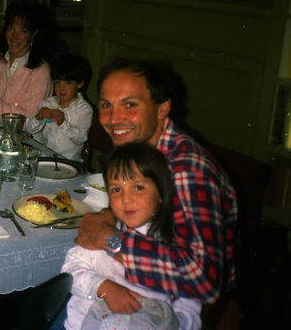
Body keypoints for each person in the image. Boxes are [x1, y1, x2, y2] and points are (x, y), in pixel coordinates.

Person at [76, 58, 238, 304]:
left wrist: (110, 240)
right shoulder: (140, 151)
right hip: (141, 284)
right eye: (106, 105)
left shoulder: (185, 169)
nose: (113, 118)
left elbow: (204, 281)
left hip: (182, 307)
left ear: (162, 109)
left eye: (130, 105)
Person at [62, 142, 201, 329]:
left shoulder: (175, 243)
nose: (126, 199)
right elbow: (71, 269)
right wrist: (103, 288)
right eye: (116, 189)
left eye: (138, 187)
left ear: (161, 192)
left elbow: (189, 304)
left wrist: (174, 324)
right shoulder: (103, 227)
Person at [24, 53, 93, 161]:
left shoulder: (84, 110)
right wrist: (38, 117)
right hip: (46, 156)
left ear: (79, 84)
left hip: (71, 161)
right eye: (57, 83)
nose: (61, 88)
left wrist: (62, 122)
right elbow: (28, 130)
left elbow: (80, 138)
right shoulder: (48, 103)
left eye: (68, 83)